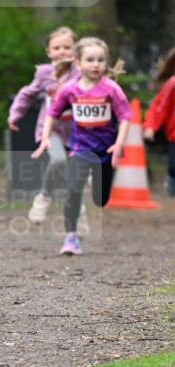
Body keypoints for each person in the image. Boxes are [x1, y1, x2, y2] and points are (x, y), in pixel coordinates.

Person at [32, 36, 131, 256]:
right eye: (90, 60)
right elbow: (52, 113)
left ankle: (94, 183)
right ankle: (71, 237)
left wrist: (118, 144)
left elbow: (125, 117)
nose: (96, 65)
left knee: (101, 199)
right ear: (78, 62)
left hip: (105, 151)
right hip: (80, 149)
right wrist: (46, 136)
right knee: (73, 191)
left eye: (100, 60)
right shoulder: (69, 89)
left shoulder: (112, 89)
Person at [7, 26, 80, 224]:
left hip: (76, 132)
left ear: (75, 50)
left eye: (67, 47)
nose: (62, 51)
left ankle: (76, 211)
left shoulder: (81, 72)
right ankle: (43, 197)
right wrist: (15, 114)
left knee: (77, 172)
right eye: (57, 48)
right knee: (58, 160)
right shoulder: (45, 73)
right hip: (50, 130)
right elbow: (27, 94)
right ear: (48, 51)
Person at [143, 46, 175, 197]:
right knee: (174, 168)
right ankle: (171, 182)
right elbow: (159, 107)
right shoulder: (172, 84)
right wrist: (150, 126)